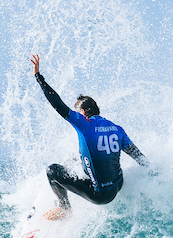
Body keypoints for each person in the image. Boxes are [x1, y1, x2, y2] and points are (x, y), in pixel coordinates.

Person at [30, 54, 148, 220]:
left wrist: (38, 77)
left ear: (83, 113)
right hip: (117, 186)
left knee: (52, 171)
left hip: (100, 196)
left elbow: (57, 103)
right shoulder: (117, 129)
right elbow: (139, 157)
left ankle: (64, 207)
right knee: (74, 159)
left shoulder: (84, 124)